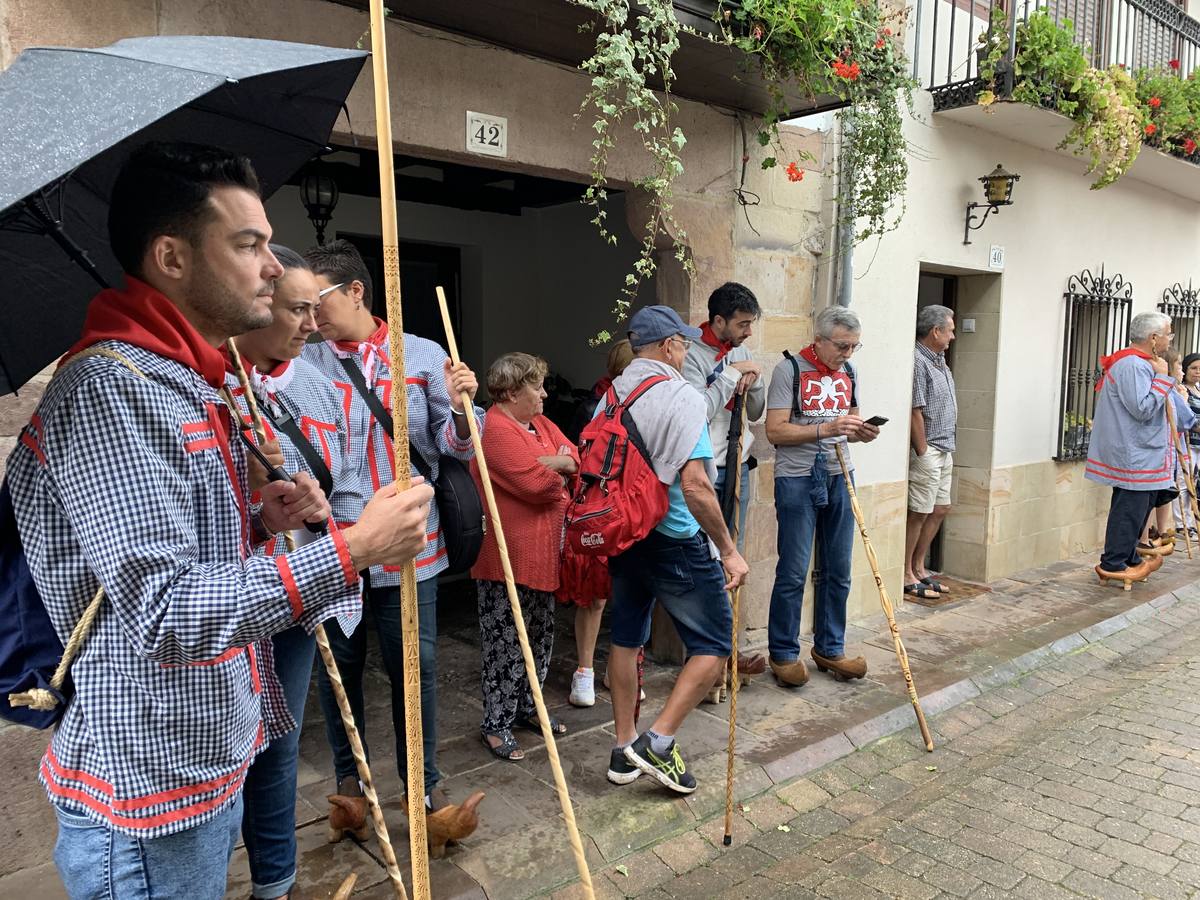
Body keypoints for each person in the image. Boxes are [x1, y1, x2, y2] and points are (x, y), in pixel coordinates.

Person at [6, 142, 433, 900]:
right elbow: (166, 613)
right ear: (172, 257)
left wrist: (262, 520)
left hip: (201, 761)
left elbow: (182, 557)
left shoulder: (182, 380)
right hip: (147, 793)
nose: (273, 268)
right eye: (248, 245)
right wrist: (355, 548)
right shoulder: (112, 389)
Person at [302, 239, 483, 818]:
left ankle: (422, 789)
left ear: (356, 291)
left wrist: (462, 407)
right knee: (339, 669)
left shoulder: (422, 355)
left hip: (408, 543)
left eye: (317, 300)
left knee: (415, 668)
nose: (309, 315)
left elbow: (457, 446)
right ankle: (350, 786)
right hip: (334, 544)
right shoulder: (303, 363)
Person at [225, 245, 365, 900]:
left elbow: (345, 481)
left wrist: (329, 525)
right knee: (231, 747)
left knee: (279, 746)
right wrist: (250, 485)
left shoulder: (321, 386)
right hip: (228, 599)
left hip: (299, 588)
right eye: (296, 309)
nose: (312, 323)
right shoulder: (209, 385)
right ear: (256, 305)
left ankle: (275, 882)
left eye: (316, 307)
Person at [604, 305, 748, 794]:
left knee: (626, 639)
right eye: (684, 343)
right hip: (674, 537)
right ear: (668, 347)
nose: (686, 350)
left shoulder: (612, 395)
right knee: (715, 643)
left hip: (624, 533)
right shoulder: (682, 395)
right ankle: (658, 743)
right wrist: (728, 549)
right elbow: (696, 485)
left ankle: (623, 748)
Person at [764, 306, 880, 687]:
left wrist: (861, 432)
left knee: (839, 568)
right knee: (794, 569)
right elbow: (775, 431)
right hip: (797, 477)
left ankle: (830, 647)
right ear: (819, 340)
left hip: (840, 473)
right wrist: (825, 429)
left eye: (854, 346)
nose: (848, 353)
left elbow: (851, 422)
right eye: (842, 345)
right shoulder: (789, 370)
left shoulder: (850, 372)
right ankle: (783, 653)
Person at [471, 353, 578, 759]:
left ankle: (528, 708)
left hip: (542, 556)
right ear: (512, 392)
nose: (545, 394)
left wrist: (560, 462)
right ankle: (496, 723)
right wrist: (559, 470)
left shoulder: (540, 423)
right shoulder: (494, 429)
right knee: (505, 644)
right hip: (507, 560)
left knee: (539, 639)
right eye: (537, 387)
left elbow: (577, 455)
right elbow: (537, 485)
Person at [563, 338, 633, 708]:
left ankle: (617, 670)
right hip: (601, 509)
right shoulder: (593, 405)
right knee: (595, 597)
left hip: (632, 507)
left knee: (630, 594)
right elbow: (579, 460)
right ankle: (585, 671)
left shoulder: (648, 402)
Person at [1087, 311, 1178, 587]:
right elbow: (1141, 408)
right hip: (1133, 454)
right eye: (1168, 334)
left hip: (1142, 453)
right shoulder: (1132, 365)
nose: (1170, 340)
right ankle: (1113, 562)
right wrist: (1162, 379)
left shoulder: (1141, 363)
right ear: (1153, 338)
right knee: (1129, 509)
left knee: (1139, 508)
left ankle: (1129, 557)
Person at [682, 282, 766, 550]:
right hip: (703, 467)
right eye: (743, 324)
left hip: (738, 464)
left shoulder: (741, 350)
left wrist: (755, 381)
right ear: (719, 321)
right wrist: (732, 373)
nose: (749, 332)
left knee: (733, 547)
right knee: (702, 549)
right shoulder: (690, 354)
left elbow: (755, 412)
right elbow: (700, 412)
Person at [904, 305, 957, 601]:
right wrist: (922, 450)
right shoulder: (918, 360)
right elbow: (915, 410)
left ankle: (919, 567)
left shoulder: (940, 360)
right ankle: (906, 573)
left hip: (945, 446)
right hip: (930, 449)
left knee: (940, 508)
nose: (953, 336)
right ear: (936, 331)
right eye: (950, 330)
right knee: (920, 511)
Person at [1179, 351, 1200, 538]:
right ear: (1185, 370)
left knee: (1196, 484)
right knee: (1185, 483)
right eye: (1194, 368)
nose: (1197, 372)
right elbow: (1185, 417)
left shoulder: (1199, 389)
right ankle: (1182, 524)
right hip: (1188, 443)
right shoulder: (1182, 391)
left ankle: (1194, 520)